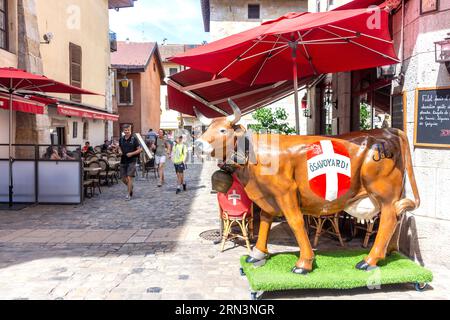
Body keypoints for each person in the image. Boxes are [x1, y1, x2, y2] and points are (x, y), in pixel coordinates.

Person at [119, 125, 142, 201]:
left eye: (128, 130)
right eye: (125, 130)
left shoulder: (134, 139)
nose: (127, 131)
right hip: (123, 160)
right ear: (123, 131)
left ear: (130, 130)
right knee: (123, 179)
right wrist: (119, 151)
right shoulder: (121, 139)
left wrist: (131, 154)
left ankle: (128, 194)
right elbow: (119, 147)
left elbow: (139, 150)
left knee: (129, 177)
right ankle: (130, 187)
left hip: (132, 161)